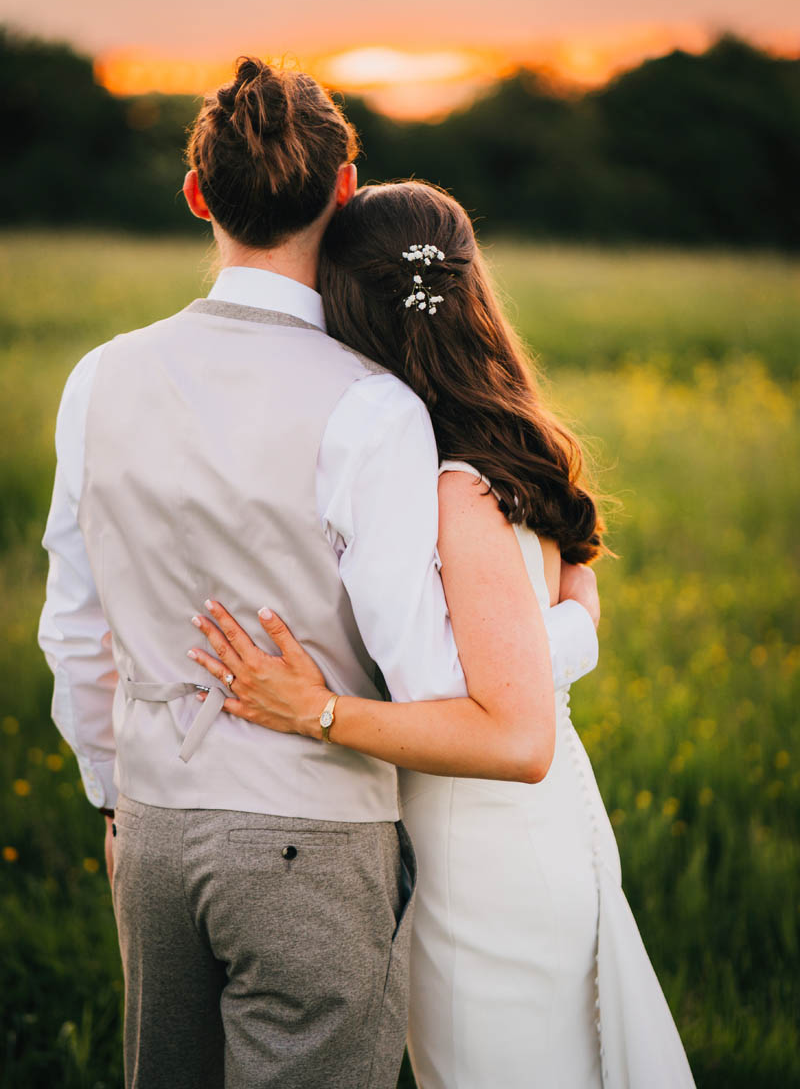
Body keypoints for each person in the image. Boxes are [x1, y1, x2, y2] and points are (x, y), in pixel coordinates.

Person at [38, 60, 600, 1089]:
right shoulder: (372, 406)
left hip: (152, 830)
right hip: (311, 841)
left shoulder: (98, 378)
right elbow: (434, 680)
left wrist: (116, 802)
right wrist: (564, 624)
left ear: (197, 195)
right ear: (342, 191)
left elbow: (72, 628)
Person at [187, 181, 697, 1088]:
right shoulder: (506, 449)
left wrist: (319, 713)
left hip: (482, 865)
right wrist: (572, 628)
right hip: (536, 838)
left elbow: (513, 735)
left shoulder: (454, 489)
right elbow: (565, 612)